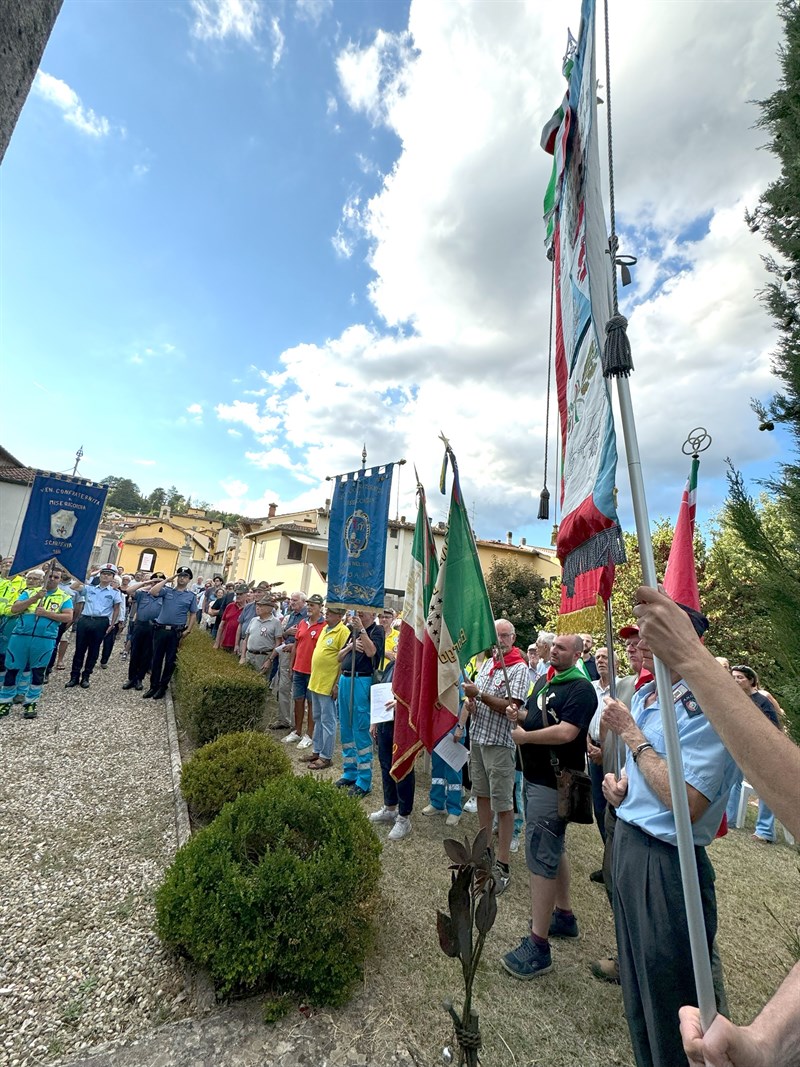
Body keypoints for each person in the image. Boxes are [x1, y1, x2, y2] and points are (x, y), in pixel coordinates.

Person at [601, 602, 737, 1067]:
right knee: (637, 988)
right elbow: (637, 777)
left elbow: (688, 801)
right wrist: (621, 792)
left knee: (672, 1001)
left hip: (667, 863)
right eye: (635, 635)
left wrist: (635, 738)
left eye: (647, 634)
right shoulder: (645, 696)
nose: (636, 645)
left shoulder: (706, 705)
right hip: (629, 843)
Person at [499, 634, 596, 979]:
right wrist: (519, 713)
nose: (553, 650)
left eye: (561, 648)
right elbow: (538, 716)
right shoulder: (546, 679)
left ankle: (538, 947)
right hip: (535, 777)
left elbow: (567, 732)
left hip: (552, 783)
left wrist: (525, 737)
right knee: (554, 848)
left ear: (578, 653)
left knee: (541, 857)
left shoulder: (581, 689)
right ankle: (564, 916)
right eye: (552, 646)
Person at [462, 619, 529, 895]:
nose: (500, 640)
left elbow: (511, 706)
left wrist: (480, 694)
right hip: (478, 738)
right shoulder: (488, 664)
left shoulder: (519, 668)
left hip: (500, 744)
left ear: (513, 638)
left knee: (504, 804)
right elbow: (482, 702)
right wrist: (472, 703)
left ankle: (503, 864)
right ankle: (484, 852)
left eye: (505, 635)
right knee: (482, 795)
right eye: (497, 635)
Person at [0, 565, 73, 717]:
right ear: (45, 577)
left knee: (38, 672)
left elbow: (68, 617)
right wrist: (35, 598)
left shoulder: (64, 597)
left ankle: (31, 703)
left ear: (60, 580)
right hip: (20, 636)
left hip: (44, 639)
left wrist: (47, 614)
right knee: (12, 669)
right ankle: (5, 702)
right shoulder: (29, 592)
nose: (52, 579)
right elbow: (14, 609)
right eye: (50, 576)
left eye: (56, 577)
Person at [725, 664, 782, 843]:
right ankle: (729, 820)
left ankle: (765, 831)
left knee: (764, 789)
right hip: (739, 747)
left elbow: (774, 729)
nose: (736, 680)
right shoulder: (734, 699)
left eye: (740, 677)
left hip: (762, 750)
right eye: (733, 677)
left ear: (751, 681)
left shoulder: (762, 701)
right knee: (732, 782)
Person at [335, 608, 384, 797]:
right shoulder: (351, 631)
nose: (358, 617)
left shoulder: (375, 630)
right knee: (346, 728)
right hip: (346, 680)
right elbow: (339, 657)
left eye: (363, 614)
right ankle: (350, 772)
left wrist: (362, 631)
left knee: (360, 729)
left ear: (372, 615)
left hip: (362, 680)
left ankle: (364, 780)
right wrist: (350, 646)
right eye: (357, 614)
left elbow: (372, 652)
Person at [369, 663, 416, 841]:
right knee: (385, 765)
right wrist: (375, 721)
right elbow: (382, 691)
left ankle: (404, 817)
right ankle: (390, 808)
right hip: (385, 722)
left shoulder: (415, 666)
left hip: (403, 725)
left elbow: (420, 695)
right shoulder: (392, 665)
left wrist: (401, 704)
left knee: (403, 768)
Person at [142, 568, 198, 699]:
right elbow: (153, 591)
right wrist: (167, 580)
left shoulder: (191, 596)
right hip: (160, 629)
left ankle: (162, 687)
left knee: (170, 661)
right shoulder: (167, 591)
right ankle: (153, 686)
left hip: (175, 632)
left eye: (185, 576)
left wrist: (188, 629)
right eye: (180, 576)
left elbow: (193, 614)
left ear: (189, 579)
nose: (182, 578)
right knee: (156, 659)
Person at [306, 605, 350, 771]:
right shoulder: (325, 628)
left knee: (328, 721)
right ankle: (316, 750)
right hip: (316, 681)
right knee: (317, 717)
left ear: (339, 616)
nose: (327, 615)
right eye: (327, 612)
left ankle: (326, 756)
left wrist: (336, 684)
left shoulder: (343, 631)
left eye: (331, 613)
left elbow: (342, 660)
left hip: (328, 684)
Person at [67, 566, 123, 688]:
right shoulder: (89, 588)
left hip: (101, 622)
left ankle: (86, 676)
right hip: (85, 619)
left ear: (113, 577)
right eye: (103, 573)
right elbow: (73, 587)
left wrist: (112, 624)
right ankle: (74, 676)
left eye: (109, 574)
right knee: (79, 649)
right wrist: (90, 574)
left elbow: (116, 609)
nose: (105, 576)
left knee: (94, 650)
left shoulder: (114, 592)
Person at [283, 593, 325, 747]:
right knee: (298, 699)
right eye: (308, 604)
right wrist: (291, 665)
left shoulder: (324, 626)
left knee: (311, 703)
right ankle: (297, 730)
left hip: (313, 671)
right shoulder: (302, 623)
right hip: (298, 668)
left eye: (312, 605)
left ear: (320, 607)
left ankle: (309, 734)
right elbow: (296, 645)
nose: (309, 607)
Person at [586, 646, 613, 845]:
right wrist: (588, 744)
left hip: (612, 754)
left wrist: (606, 751)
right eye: (598, 657)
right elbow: (585, 717)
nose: (600, 660)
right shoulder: (590, 687)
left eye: (605, 657)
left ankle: (615, 861)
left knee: (614, 808)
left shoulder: (623, 687)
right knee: (599, 806)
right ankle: (608, 859)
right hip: (591, 749)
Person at [122, 573, 165, 691]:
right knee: (135, 652)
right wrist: (145, 583)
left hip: (154, 627)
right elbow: (129, 590)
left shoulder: (165, 596)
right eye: (155, 581)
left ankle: (140, 679)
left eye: (159, 582)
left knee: (147, 654)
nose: (156, 584)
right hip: (140, 625)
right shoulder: (142, 593)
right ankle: (131, 678)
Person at [275, 591, 308, 729]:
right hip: (285, 654)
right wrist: (287, 633)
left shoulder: (308, 617)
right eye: (291, 600)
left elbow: (308, 640)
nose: (292, 602)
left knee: (297, 690)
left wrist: (293, 645)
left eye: (295, 600)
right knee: (283, 687)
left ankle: (296, 723)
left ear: (303, 602)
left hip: (300, 655)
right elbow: (281, 634)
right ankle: (284, 719)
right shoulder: (290, 616)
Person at [239, 595, 283, 674]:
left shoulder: (276, 622)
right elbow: (246, 639)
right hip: (249, 655)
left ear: (268, 609)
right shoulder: (253, 620)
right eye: (257, 605)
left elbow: (278, 643)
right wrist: (243, 657)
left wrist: (270, 660)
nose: (257, 608)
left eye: (261, 606)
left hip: (264, 657)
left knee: (261, 680)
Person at [0, 558, 27, 673]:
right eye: (5, 563)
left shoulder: (23, 582)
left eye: (11, 563)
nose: (8, 565)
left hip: (10, 619)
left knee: (4, 648)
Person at [215, 585, 247, 652]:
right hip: (223, 643)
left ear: (246, 595)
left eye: (241, 594)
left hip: (237, 646)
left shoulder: (248, 609)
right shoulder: (230, 606)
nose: (238, 596)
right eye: (237, 594)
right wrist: (216, 643)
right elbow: (221, 625)